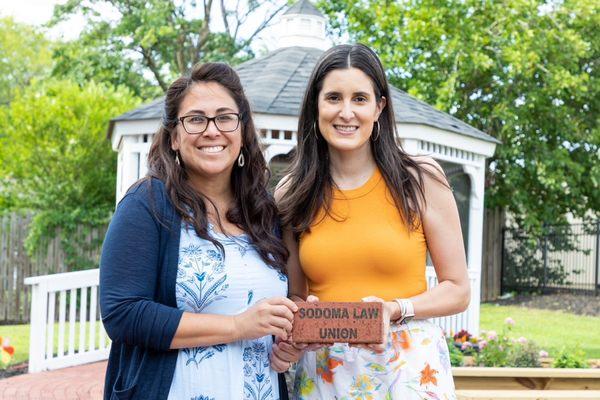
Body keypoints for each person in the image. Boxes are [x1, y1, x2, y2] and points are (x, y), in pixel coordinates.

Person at [271, 44, 470, 399]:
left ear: (379, 107)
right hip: (324, 373)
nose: (346, 112)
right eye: (333, 97)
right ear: (316, 105)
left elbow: (457, 288)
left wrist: (395, 309)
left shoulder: (420, 179)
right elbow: (298, 296)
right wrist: (297, 329)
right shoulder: (292, 192)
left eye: (359, 99)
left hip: (406, 367)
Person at [100, 62, 298, 400]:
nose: (212, 130)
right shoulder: (147, 204)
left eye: (224, 117)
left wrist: (285, 346)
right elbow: (123, 312)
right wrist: (237, 327)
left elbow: (271, 315)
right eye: (195, 119)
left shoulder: (263, 211)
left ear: (241, 130)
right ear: (175, 137)